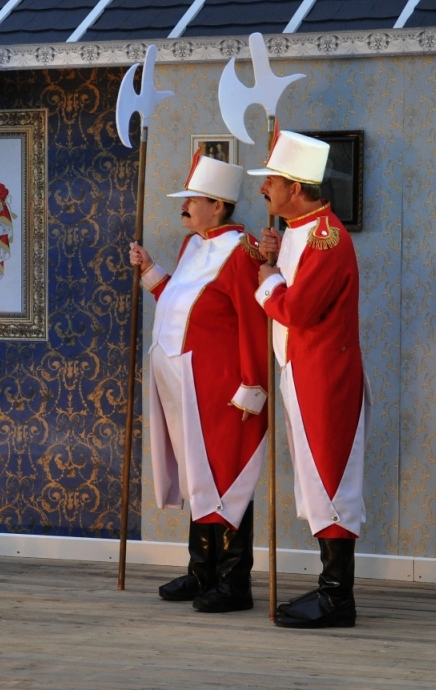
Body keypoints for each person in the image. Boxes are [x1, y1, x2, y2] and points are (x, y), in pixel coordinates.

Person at [129, 153, 268, 613]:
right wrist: (151, 270)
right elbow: (183, 304)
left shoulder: (243, 252)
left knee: (226, 476)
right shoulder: (193, 245)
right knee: (197, 474)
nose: (184, 206)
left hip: (220, 387)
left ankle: (233, 582)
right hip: (184, 383)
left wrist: (253, 385)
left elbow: (255, 324)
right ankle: (202, 570)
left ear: (218, 205)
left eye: (192, 199)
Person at [249, 131, 368, 628]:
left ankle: (338, 598)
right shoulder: (300, 229)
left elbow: (297, 309)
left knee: (330, 479)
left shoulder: (326, 237)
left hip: (324, 374)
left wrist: (267, 280)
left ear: (295, 188)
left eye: (271, 181)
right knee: (315, 478)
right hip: (303, 370)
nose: (263, 189)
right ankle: (329, 588)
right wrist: (275, 257)